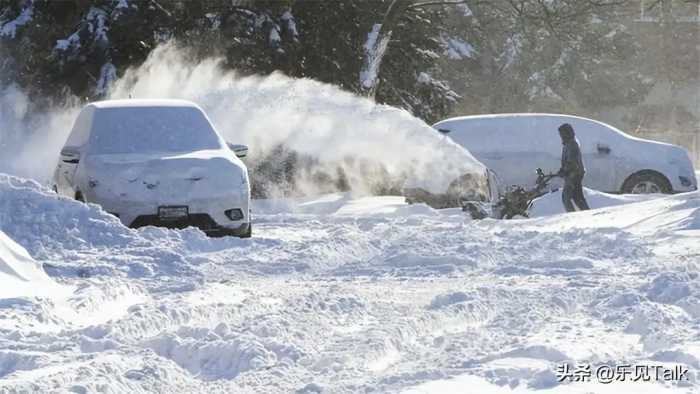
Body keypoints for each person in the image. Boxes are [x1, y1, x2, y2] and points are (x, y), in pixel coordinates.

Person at [557, 123, 590, 212]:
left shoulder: (572, 145)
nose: (561, 136)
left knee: (566, 198)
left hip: (574, 175)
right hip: (573, 174)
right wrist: (562, 170)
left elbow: (572, 162)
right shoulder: (568, 144)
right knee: (577, 197)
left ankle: (572, 215)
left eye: (562, 134)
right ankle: (587, 213)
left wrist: (565, 170)